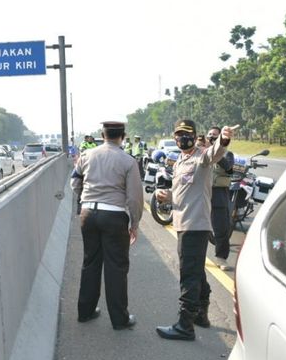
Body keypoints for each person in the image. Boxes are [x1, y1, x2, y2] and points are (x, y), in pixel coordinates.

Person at [154, 119, 234, 341]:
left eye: (186, 134)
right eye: (178, 134)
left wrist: (223, 139)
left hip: (195, 225)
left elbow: (216, 152)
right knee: (197, 272)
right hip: (182, 223)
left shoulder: (203, 156)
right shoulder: (180, 160)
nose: (182, 138)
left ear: (194, 135)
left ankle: (184, 325)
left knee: (188, 275)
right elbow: (182, 191)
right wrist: (167, 196)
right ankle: (201, 314)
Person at [70, 121, 144, 330]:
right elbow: (134, 197)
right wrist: (134, 223)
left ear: (102, 135)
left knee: (90, 262)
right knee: (116, 267)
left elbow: (74, 183)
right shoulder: (128, 161)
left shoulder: (86, 156)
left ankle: (85, 312)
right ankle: (119, 319)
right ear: (123, 136)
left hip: (88, 214)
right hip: (113, 216)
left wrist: (85, 199)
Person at [206, 126, 234, 270]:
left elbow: (229, 168)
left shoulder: (228, 154)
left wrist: (218, 151)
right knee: (196, 225)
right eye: (209, 135)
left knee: (222, 228)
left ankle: (221, 258)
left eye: (215, 136)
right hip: (202, 193)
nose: (211, 137)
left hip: (218, 193)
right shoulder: (201, 152)